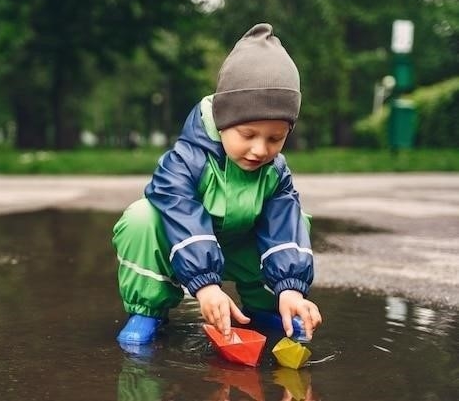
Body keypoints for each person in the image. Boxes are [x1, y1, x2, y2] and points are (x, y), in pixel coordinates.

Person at [112, 23, 322, 347]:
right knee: (140, 218)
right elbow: (181, 214)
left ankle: (268, 305)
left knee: (297, 218)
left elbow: (284, 230)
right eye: (248, 135)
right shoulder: (185, 160)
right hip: (186, 247)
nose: (260, 150)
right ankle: (148, 310)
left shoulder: (274, 172)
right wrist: (207, 286)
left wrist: (291, 287)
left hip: (239, 248)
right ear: (224, 120)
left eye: (275, 138)